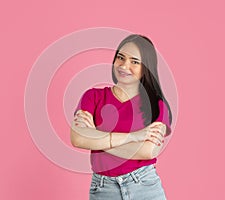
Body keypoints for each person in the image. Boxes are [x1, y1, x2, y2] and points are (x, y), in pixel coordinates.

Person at [71, 34, 173, 200]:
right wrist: (133, 137)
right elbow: (78, 139)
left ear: (146, 68)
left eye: (134, 62)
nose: (124, 66)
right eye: (120, 58)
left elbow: (148, 151)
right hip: (103, 189)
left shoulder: (155, 104)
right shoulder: (92, 97)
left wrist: (96, 139)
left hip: (145, 186)